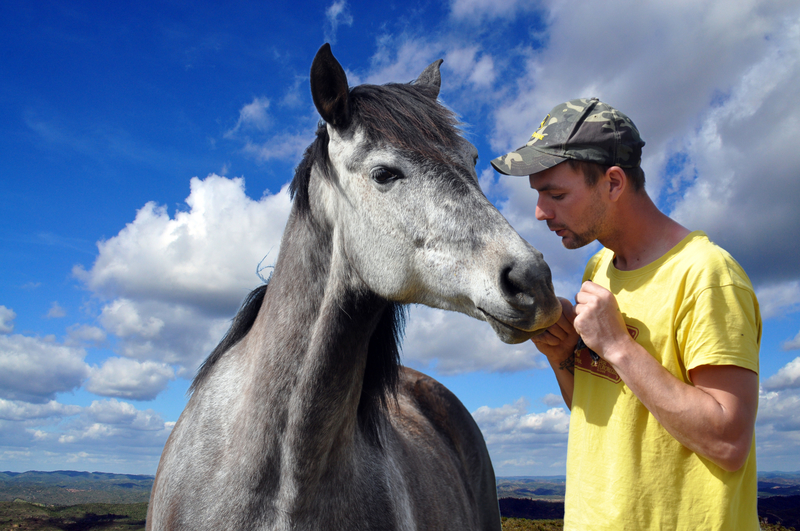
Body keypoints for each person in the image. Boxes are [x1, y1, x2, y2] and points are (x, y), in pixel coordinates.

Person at [491, 98, 761, 530]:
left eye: (556, 194)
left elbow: (728, 442)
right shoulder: (599, 269)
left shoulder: (707, 275)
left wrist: (618, 345)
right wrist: (561, 355)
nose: (541, 212)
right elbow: (596, 410)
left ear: (613, 182)